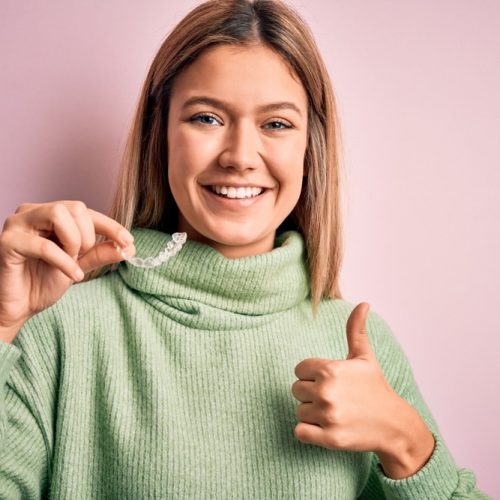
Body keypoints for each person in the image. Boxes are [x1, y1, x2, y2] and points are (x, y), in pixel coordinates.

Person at [0, 0, 490, 498]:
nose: (239, 157)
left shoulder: (360, 348)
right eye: (207, 118)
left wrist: (407, 445)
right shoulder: (60, 329)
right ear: (161, 135)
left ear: (309, 148)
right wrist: (0, 329)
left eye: (276, 124)